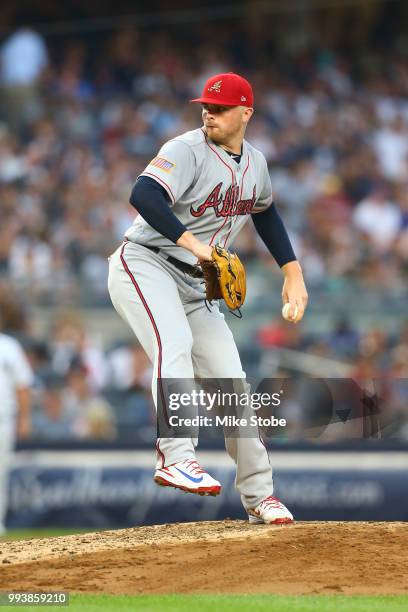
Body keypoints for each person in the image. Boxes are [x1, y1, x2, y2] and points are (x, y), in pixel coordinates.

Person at [108, 72, 308, 524]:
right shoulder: (186, 148)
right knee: (172, 342)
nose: (209, 113)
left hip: (198, 286)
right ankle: (176, 455)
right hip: (145, 262)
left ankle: (260, 497)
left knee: (231, 384)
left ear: (245, 113)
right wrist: (197, 247)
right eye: (206, 106)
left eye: (219, 108)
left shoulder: (255, 162)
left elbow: (267, 212)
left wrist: (292, 272)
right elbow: (143, 193)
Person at [0, 315, 33, 534]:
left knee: (1, 472)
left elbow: (23, 386)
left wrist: (24, 418)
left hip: (3, 419)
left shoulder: (9, 346)